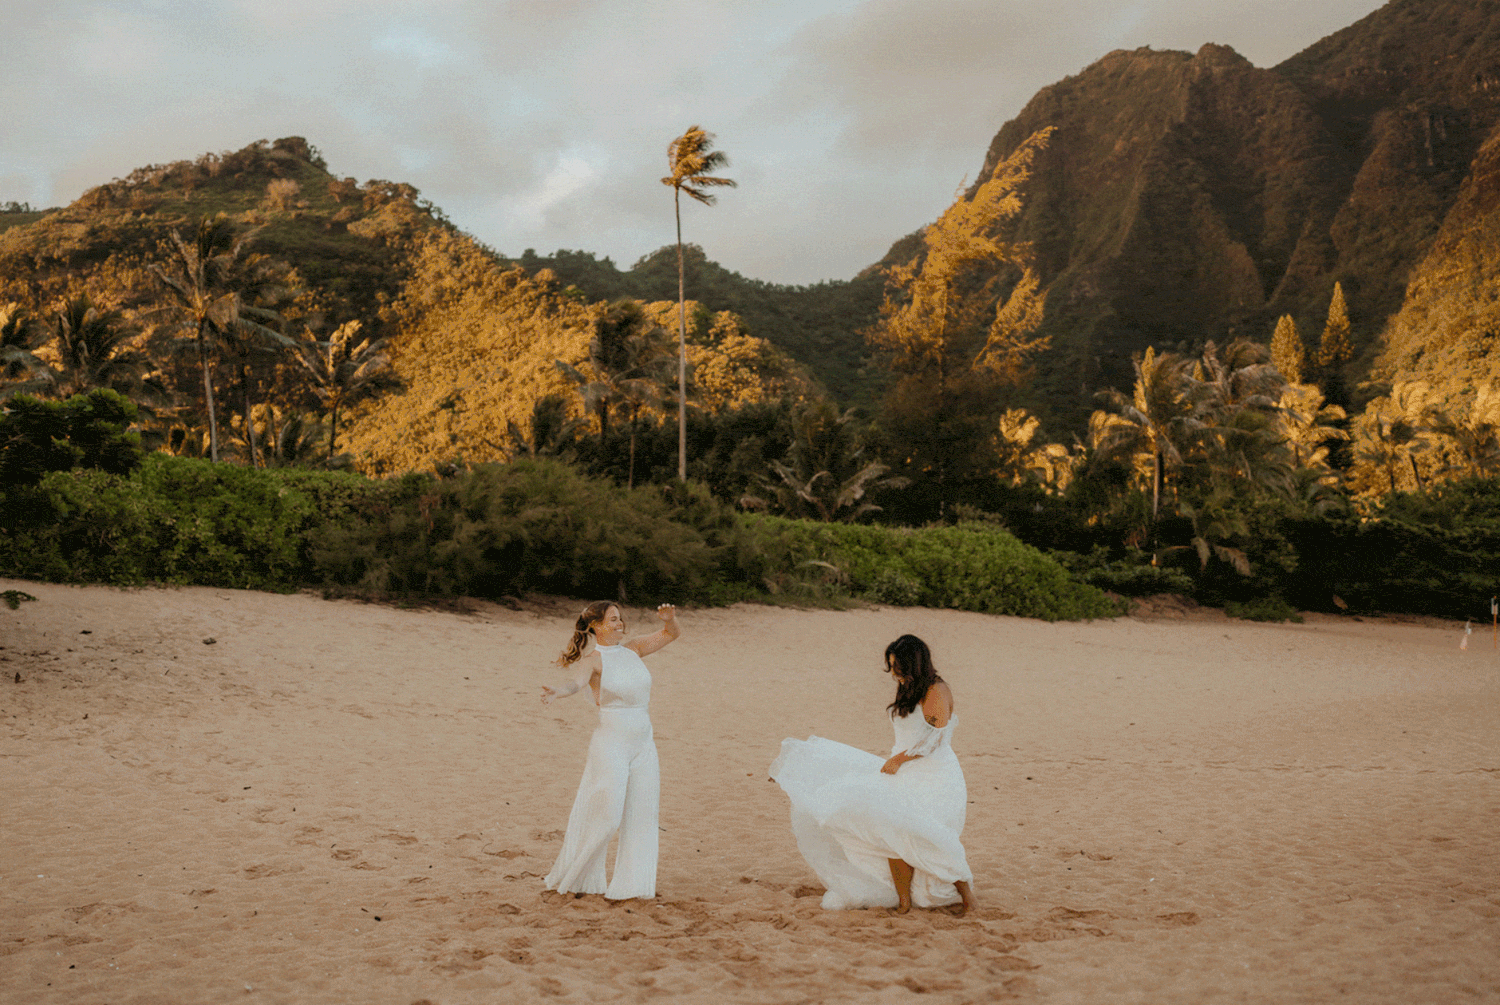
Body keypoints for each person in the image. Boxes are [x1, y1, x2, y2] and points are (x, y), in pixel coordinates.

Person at [769, 634, 977, 914]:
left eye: (897, 667)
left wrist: (901, 758)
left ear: (913, 663)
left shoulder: (935, 691)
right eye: (891, 666)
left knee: (930, 836)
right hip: (901, 769)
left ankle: (968, 899)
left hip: (932, 775)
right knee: (889, 831)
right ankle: (904, 902)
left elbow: (936, 739)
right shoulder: (910, 687)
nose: (893, 673)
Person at [540, 601, 680, 900]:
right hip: (611, 743)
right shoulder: (594, 660)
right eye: (612, 619)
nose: (619, 623)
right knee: (608, 816)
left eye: (620, 618)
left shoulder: (634, 649)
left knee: (642, 815)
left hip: (644, 743)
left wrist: (670, 619)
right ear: (596, 626)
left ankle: (632, 887)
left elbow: (670, 634)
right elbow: (576, 684)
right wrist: (558, 693)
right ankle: (577, 878)